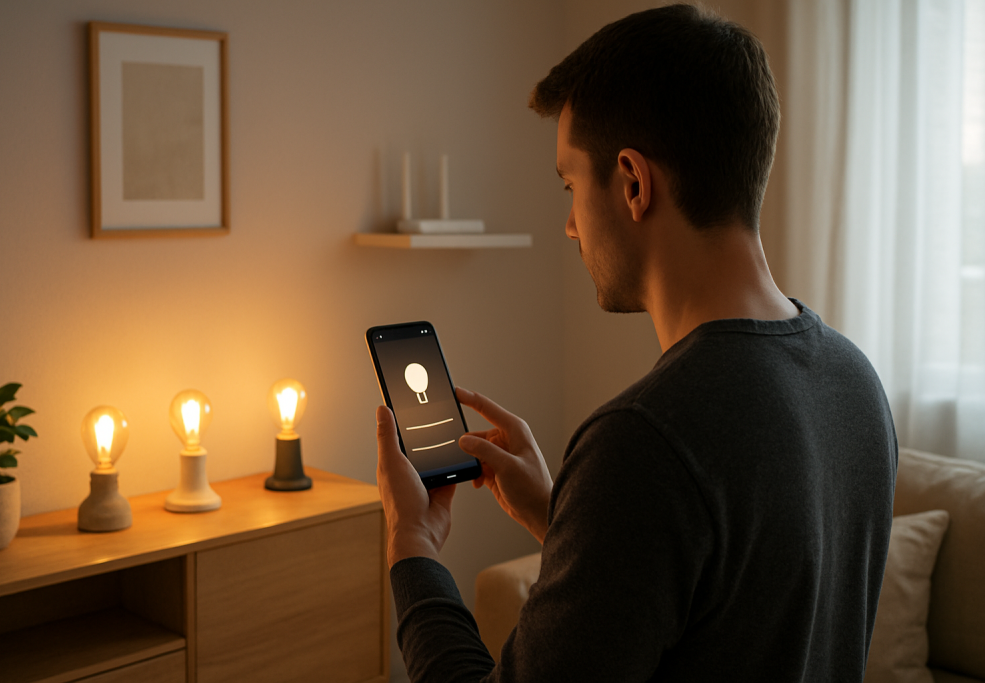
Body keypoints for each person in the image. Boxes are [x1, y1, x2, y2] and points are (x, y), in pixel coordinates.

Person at [375, 4, 897, 682]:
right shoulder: (856, 382)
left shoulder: (643, 441)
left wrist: (412, 547)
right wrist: (567, 519)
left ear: (632, 181)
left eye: (570, 186)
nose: (569, 225)